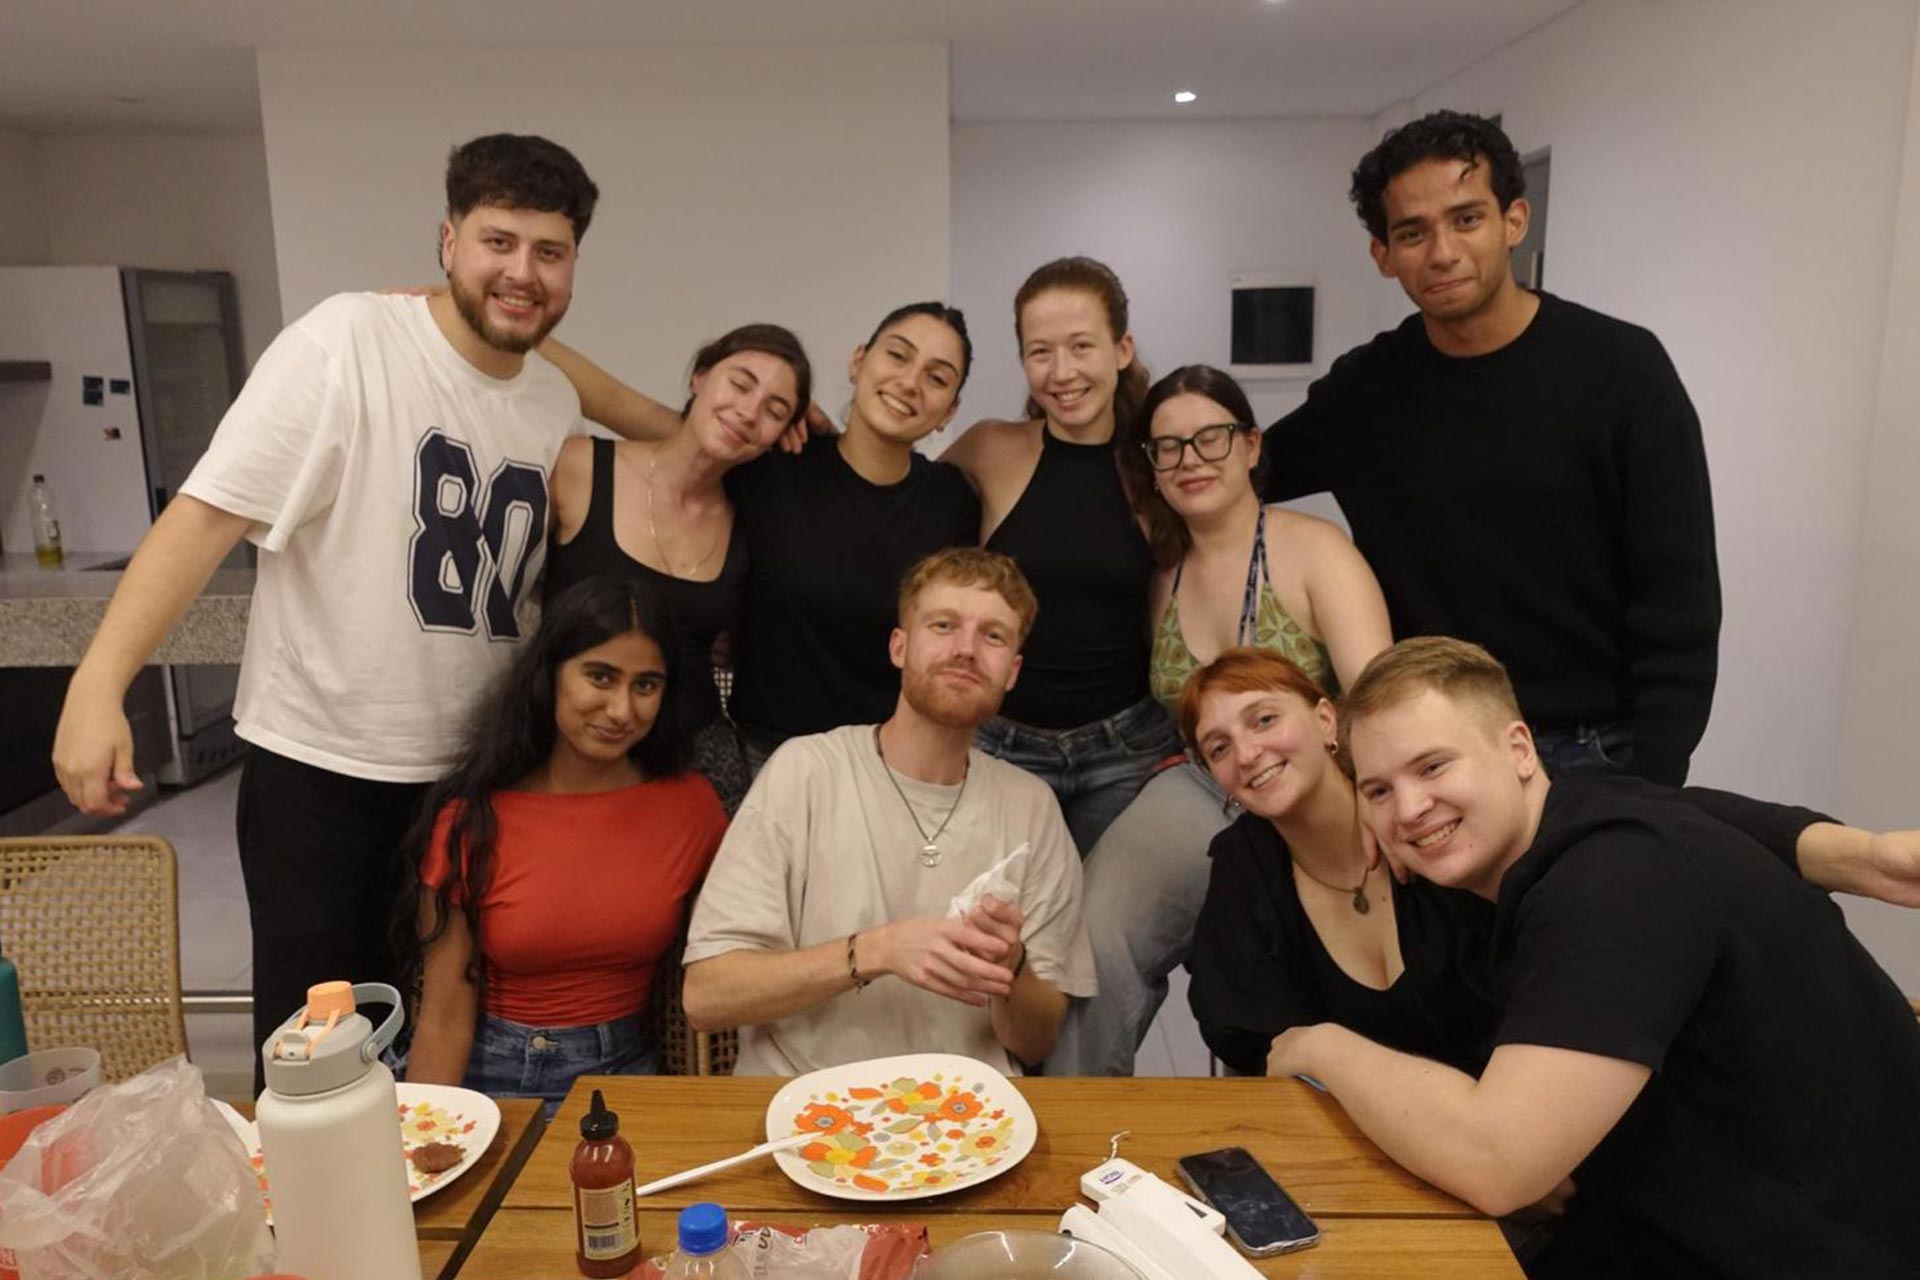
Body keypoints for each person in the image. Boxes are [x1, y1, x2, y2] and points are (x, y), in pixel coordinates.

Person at [49, 134, 616, 1080]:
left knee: (446, 1048)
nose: (522, 271)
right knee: (320, 1060)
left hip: (473, 778)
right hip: (326, 771)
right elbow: (204, 517)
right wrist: (97, 684)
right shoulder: (346, 342)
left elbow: (641, 425)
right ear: (448, 242)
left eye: (549, 252)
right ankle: (313, 1231)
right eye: (498, 241)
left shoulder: (552, 398)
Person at [1266, 637, 1920, 1277]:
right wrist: (1855, 853)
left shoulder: (1613, 881)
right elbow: (1697, 813)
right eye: (1378, 790)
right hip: (1679, 1218)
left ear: (1519, 750)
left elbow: (1497, 1162)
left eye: (1433, 766)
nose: (1408, 808)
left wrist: (1318, 1046)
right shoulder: (1590, 822)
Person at [1262, 109, 1720, 785]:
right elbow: (1235, 478)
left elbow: (1678, 598)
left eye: (1467, 219)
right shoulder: (1365, 392)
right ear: (1382, 256)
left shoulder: (1621, 370)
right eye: (1412, 232)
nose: (1442, 251)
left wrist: (1655, 777)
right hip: (1433, 747)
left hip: (1599, 752)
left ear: (1514, 221)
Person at [1047, 365, 1392, 1074]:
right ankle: (1074, 1123)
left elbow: (1379, 701)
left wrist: (1376, 811)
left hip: (1323, 785)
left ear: (1252, 446)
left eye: (1210, 438)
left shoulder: (1315, 549)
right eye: (1167, 448)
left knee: (1277, 970)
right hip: (1206, 788)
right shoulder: (1159, 573)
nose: (1190, 461)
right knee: (1100, 933)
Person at [679, 548, 1095, 1075]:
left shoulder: (1031, 806)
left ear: (1011, 672)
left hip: (966, 1120)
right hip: (801, 1111)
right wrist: (877, 951)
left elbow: (1035, 1043)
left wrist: (1010, 968)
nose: (966, 650)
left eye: (993, 636)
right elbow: (707, 996)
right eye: (943, 625)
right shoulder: (804, 772)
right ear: (899, 646)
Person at [550, 303, 981, 770]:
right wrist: (487, 319)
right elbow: (631, 409)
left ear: (950, 411)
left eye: (937, 378)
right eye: (898, 355)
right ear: (858, 361)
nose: (909, 382)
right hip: (764, 753)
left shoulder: (953, 502)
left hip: (884, 761)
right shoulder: (769, 466)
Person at [400, 576, 724, 1107]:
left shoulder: (691, 807)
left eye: (646, 685)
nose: (622, 710)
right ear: (550, 675)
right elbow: (442, 1018)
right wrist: (420, 1147)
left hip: (628, 1076)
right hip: (493, 1081)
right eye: (600, 677)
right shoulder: (472, 818)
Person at [943, 257, 1180, 853]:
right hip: (1001, 746)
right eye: (1040, 352)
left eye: (1081, 346)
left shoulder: (1158, 468)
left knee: (1091, 937)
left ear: (1121, 349)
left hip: (1124, 754)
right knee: (992, 928)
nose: (1062, 372)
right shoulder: (990, 448)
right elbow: (888, 497)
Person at [544, 323, 811, 811]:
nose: (749, 412)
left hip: (694, 765)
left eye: (775, 410)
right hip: (566, 750)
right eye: (740, 383)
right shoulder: (581, 467)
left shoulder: (752, 517)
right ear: (701, 376)